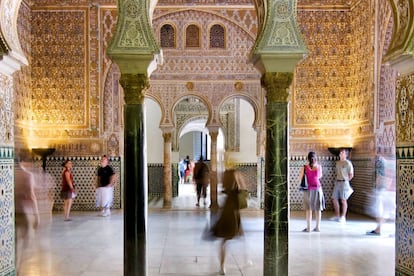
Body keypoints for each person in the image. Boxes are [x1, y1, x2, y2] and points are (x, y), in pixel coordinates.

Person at [210, 165, 246, 275]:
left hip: (227, 211)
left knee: (224, 240)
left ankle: (222, 266)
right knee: (239, 236)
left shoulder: (227, 183)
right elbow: (243, 192)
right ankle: (245, 260)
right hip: (233, 213)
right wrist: (239, 179)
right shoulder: (236, 184)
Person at [14, 156, 40, 273]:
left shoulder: (8, 174)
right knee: (24, 240)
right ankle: (17, 266)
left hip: (10, 212)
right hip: (22, 211)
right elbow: (31, 194)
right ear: (22, 162)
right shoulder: (27, 175)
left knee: (15, 241)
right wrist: (36, 215)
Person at [366, 156, 396, 236]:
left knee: (389, 213)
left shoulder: (391, 165)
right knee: (383, 213)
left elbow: (389, 180)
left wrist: (386, 189)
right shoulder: (387, 164)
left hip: (390, 193)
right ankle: (378, 230)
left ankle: (396, 231)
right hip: (387, 192)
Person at [299, 151, 325, 232]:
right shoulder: (319, 167)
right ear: (315, 158)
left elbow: (300, 177)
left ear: (308, 158)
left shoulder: (304, 167)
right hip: (317, 189)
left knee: (308, 209)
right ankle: (317, 227)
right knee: (318, 209)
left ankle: (309, 228)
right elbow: (319, 176)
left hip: (308, 190)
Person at [331, 148, 354, 223]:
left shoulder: (348, 163)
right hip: (337, 182)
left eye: (343, 152)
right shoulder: (338, 163)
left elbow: (351, 175)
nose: (341, 153)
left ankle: (343, 217)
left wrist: (346, 181)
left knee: (343, 200)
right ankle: (337, 215)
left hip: (344, 183)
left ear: (346, 154)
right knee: (334, 199)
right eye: (340, 152)